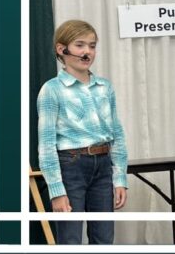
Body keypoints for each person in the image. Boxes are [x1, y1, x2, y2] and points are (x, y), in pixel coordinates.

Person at [37, 20, 128, 245]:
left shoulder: (105, 88)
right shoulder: (52, 90)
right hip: (71, 166)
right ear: (62, 49)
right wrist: (57, 191)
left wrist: (120, 178)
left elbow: (117, 133)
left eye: (92, 45)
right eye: (80, 45)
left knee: (104, 238)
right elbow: (46, 144)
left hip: (103, 166)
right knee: (70, 239)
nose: (87, 51)